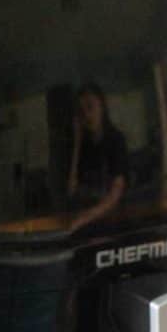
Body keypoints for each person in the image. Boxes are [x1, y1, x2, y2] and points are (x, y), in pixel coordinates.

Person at [68, 82, 128, 232]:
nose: (87, 115)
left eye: (90, 107)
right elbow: (71, 191)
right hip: (86, 222)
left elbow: (115, 195)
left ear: (102, 106)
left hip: (111, 223)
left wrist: (84, 218)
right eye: (82, 111)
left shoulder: (116, 140)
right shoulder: (85, 145)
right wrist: (77, 142)